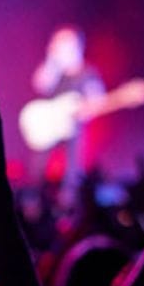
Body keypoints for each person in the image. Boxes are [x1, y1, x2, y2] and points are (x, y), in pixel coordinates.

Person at [29, 26, 105, 179]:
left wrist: (83, 110)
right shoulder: (56, 73)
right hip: (50, 132)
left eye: (64, 43)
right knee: (38, 171)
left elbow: (97, 102)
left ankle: (70, 189)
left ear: (77, 46)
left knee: (73, 172)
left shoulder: (88, 73)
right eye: (56, 43)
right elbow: (40, 84)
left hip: (75, 136)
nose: (58, 47)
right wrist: (51, 60)